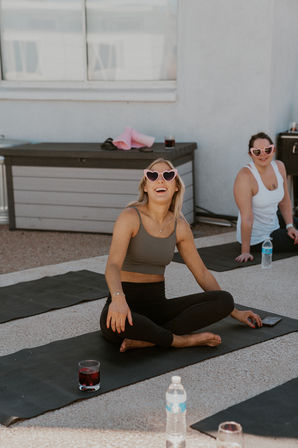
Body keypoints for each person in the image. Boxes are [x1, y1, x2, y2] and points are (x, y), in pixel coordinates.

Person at [100, 158, 262, 352]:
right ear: (145, 186)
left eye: (168, 176)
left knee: (224, 300)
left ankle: (152, 339)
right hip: (126, 303)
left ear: (176, 186)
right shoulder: (130, 217)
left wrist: (234, 312)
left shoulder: (180, 226)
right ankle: (182, 341)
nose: (160, 180)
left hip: (158, 307)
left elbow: (202, 273)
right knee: (115, 326)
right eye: (153, 176)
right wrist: (118, 300)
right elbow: (113, 265)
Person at [234, 132, 298, 263]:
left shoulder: (279, 166)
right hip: (259, 237)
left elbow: (285, 200)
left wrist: (290, 226)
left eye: (267, 150)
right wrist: (245, 251)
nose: (263, 154)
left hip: (273, 220)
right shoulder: (245, 177)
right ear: (250, 154)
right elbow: (246, 217)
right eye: (257, 152)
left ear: (273, 150)